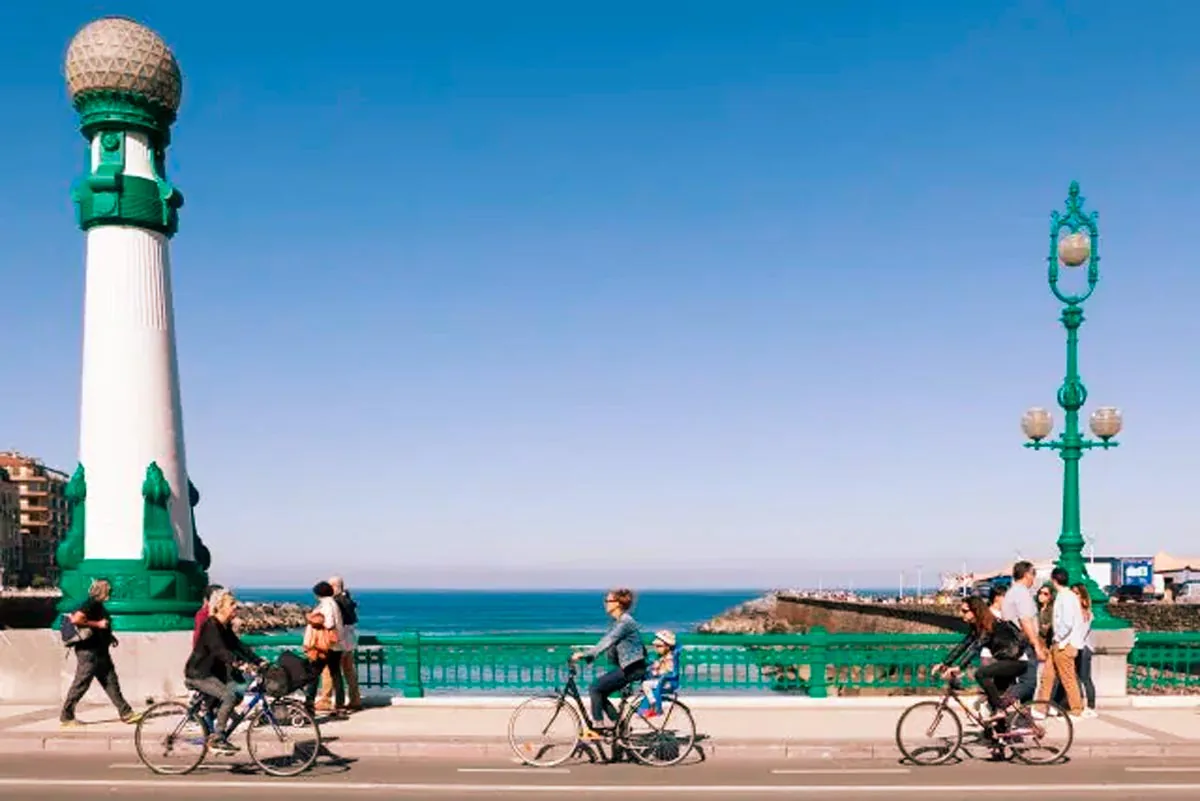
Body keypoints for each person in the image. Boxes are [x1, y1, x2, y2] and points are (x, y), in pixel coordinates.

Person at [185, 589, 260, 753]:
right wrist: (238, 663)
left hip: (213, 673)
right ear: (220, 606)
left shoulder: (224, 626)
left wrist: (259, 661)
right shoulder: (211, 625)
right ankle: (218, 737)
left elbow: (239, 647)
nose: (236, 606)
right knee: (229, 696)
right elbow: (219, 650)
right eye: (231, 604)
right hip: (199, 674)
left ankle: (210, 725)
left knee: (234, 694)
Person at [936, 595, 1028, 729]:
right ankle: (999, 741)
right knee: (994, 701)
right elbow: (964, 645)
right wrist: (945, 662)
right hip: (1006, 662)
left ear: (976, 611)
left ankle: (1001, 710)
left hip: (1017, 662)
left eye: (965, 611)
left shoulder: (988, 626)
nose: (962, 614)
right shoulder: (978, 627)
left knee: (981, 674)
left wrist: (959, 667)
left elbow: (975, 648)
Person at [60, 579, 143, 727]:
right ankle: (66, 716)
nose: (110, 593)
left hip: (99, 650)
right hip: (89, 652)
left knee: (111, 682)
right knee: (81, 683)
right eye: (108, 590)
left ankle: (126, 713)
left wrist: (109, 637)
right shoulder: (91, 603)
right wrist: (98, 624)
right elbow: (76, 619)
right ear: (102, 591)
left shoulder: (96, 605)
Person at [569, 588, 646, 739]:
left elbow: (607, 641)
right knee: (601, 693)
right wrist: (589, 656)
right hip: (630, 666)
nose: (605, 603)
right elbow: (607, 643)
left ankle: (598, 728)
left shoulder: (625, 622)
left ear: (617, 604)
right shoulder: (619, 622)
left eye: (608, 601)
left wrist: (585, 655)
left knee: (595, 688)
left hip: (633, 668)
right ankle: (621, 728)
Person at [1035, 568, 1085, 718]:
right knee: (1047, 676)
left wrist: (1058, 637)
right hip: (1061, 644)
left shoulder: (1065, 597)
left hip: (1063, 644)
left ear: (1053, 579)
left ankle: (1076, 709)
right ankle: (1040, 708)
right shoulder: (1068, 596)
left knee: (1067, 678)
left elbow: (1067, 623)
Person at [1000, 561, 1046, 703]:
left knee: (1020, 682)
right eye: (1033, 574)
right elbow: (1025, 621)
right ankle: (999, 703)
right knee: (1029, 682)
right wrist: (1037, 646)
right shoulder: (1022, 593)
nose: (1034, 578)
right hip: (1024, 644)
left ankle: (1023, 719)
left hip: (1011, 643)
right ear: (1026, 575)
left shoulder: (1011, 592)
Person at [317, 576, 361, 712]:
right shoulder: (348, 600)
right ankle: (355, 699)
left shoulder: (336, 602)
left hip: (339, 642)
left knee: (329, 671)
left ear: (335, 587)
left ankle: (326, 700)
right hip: (350, 641)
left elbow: (332, 623)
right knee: (349, 672)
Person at [304, 581, 345, 716]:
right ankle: (340, 706)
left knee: (313, 674)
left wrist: (314, 620)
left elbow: (329, 623)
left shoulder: (326, 604)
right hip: (336, 645)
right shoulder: (334, 603)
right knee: (336, 674)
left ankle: (309, 706)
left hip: (325, 646)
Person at [1071, 583, 1098, 718]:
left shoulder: (1085, 613)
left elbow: (1081, 633)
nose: (1074, 596)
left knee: (1085, 678)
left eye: (1076, 593)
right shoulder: (1074, 612)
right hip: (1078, 647)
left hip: (1083, 648)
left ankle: (1091, 706)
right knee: (1076, 678)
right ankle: (1080, 704)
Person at [638, 630, 677, 717]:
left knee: (645, 684)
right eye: (655, 646)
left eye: (659, 646)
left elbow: (670, 671)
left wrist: (657, 671)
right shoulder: (662, 657)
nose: (656, 648)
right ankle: (645, 708)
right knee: (646, 683)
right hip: (662, 681)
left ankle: (654, 704)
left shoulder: (669, 658)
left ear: (667, 647)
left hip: (667, 682)